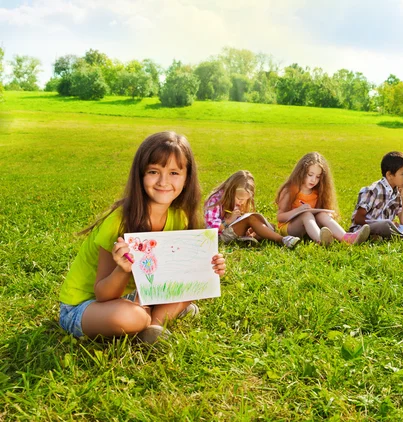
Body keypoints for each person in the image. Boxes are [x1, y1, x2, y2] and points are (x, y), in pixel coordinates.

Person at [58, 131, 226, 344]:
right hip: (86, 306)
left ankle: (154, 325)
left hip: (138, 295)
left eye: (174, 173)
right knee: (132, 317)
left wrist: (210, 266)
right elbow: (102, 294)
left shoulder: (179, 217)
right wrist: (122, 269)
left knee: (192, 281)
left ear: (187, 178)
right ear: (140, 175)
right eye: (154, 171)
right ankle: (151, 314)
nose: (163, 181)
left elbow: (181, 270)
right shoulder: (118, 222)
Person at [275, 152, 370, 245]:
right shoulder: (289, 190)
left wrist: (328, 216)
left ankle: (347, 238)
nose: (313, 180)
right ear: (301, 172)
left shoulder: (317, 192)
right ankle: (321, 240)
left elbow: (318, 215)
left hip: (308, 229)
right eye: (310, 175)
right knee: (306, 214)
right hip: (289, 228)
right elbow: (280, 217)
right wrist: (298, 210)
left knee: (322, 215)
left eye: (318, 177)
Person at [205, 170, 300, 248]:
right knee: (251, 219)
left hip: (230, 230)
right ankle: (282, 240)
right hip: (217, 237)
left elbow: (240, 218)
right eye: (239, 199)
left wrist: (243, 224)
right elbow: (211, 229)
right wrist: (228, 221)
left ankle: (248, 237)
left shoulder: (237, 200)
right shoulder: (215, 200)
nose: (241, 202)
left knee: (264, 225)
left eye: (245, 200)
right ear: (230, 191)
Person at [349, 151, 403, 240]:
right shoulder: (372, 190)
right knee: (385, 225)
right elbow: (358, 219)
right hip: (364, 229)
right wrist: (384, 223)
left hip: (388, 228)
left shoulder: (397, 193)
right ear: (389, 175)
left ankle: (392, 237)